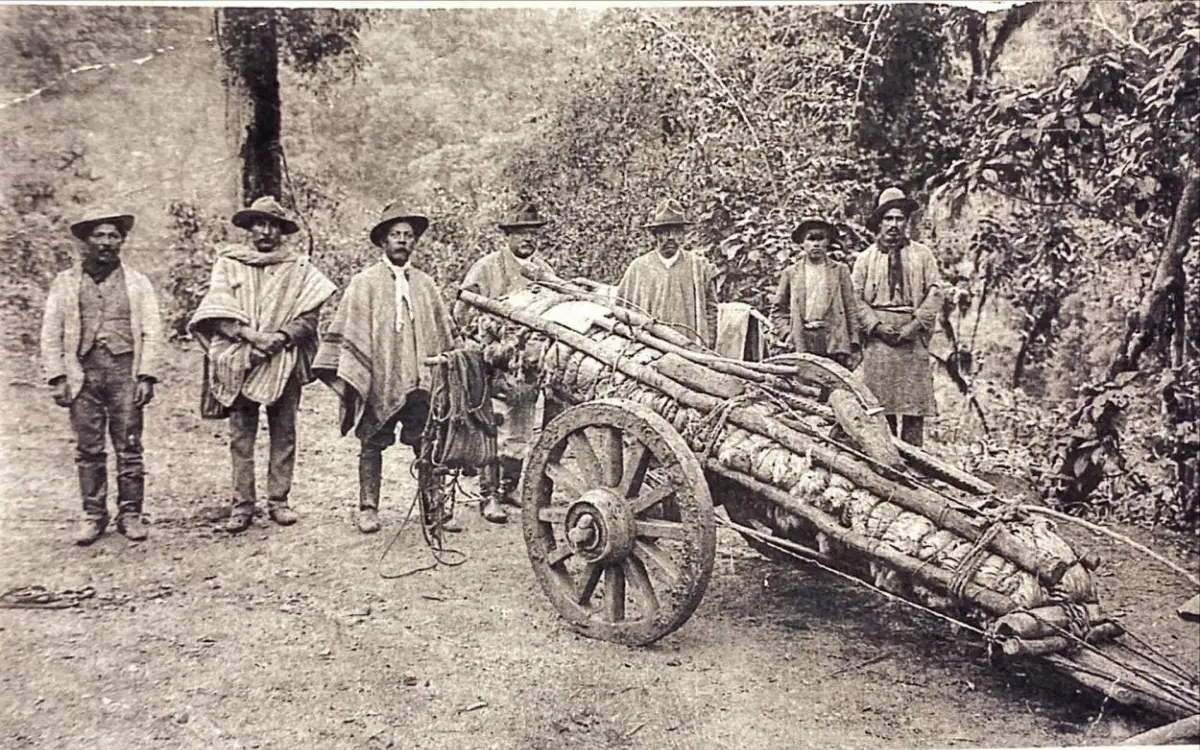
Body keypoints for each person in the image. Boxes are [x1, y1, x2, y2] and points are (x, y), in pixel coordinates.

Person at [314, 204, 477, 533]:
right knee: (372, 442)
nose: (403, 241)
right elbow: (351, 329)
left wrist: (458, 358)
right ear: (383, 242)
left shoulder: (425, 284)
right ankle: (368, 508)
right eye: (395, 235)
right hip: (381, 379)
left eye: (408, 236)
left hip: (421, 380)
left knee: (428, 443)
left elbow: (443, 330)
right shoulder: (365, 283)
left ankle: (434, 509)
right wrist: (363, 373)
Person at [189, 196, 336, 533]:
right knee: (242, 435)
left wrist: (281, 337)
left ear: (283, 231)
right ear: (249, 228)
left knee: (284, 431)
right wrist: (251, 337)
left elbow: (310, 315)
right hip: (239, 357)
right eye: (260, 224)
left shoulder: (299, 268)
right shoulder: (228, 263)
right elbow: (216, 312)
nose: (266, 231)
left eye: (273, 225)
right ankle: (242, 506)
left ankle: (279, 501)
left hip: (283, 359)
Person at [40, 209, 164, 545]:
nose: (107, 242)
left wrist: (146, 376)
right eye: (100, 235)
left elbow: (152, 331)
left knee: (130, 444)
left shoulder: (137, 283)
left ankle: (131, 513)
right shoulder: (66, 283)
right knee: (88, 447)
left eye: (113, 236)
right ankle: (94, 515)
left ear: (122, 241)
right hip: (83, 373)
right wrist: (57, 376)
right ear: (86, 241)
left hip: (125, 372)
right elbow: (51, 332)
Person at [453, 202, 557, 518]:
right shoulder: (487, 267)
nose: (528, 239)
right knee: (492, 429)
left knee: (521, 431)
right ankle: (488, 496)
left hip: (527, 368)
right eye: (521, 232)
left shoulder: (544, 271)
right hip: (491, 363)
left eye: (533, 233)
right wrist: (485, 342)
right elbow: (461, 312)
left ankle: (510, 487)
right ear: (508, 236)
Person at [851, 187, 943, 446]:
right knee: (881, 409)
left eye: (899, 218)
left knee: (914, 408)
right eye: (888, 219)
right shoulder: (865, 259)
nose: (893, 225)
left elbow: (935, 293)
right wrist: (876, 326)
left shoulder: (922, 255)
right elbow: (854, 299)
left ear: (907, 222)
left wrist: (914, 327)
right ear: (879, 222)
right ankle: (888, 466)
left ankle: (917, 470)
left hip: (911, 339)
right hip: (879, 342)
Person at [615, 199, 719, 349]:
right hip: (648, 350)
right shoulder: (638, 268)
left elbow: (711, 311)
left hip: (689, 350)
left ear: (683, 235)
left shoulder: (699, 268)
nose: (670, 237)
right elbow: (621, 309)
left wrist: (707, 346)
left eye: (676, 232)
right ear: (655, 235)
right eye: (665, 232)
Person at [770, 217, 861, 369]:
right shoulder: (791, 273)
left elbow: (850, 308)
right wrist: (788, 333)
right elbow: (778, 310)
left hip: (832, 339)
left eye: (821, 239)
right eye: (811, 239)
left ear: (828, 242)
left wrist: (854, 343)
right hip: (802, 338)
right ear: (801, 243)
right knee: (803, 385)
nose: (816, 244)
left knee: (833, 384)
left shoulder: (840, 271)